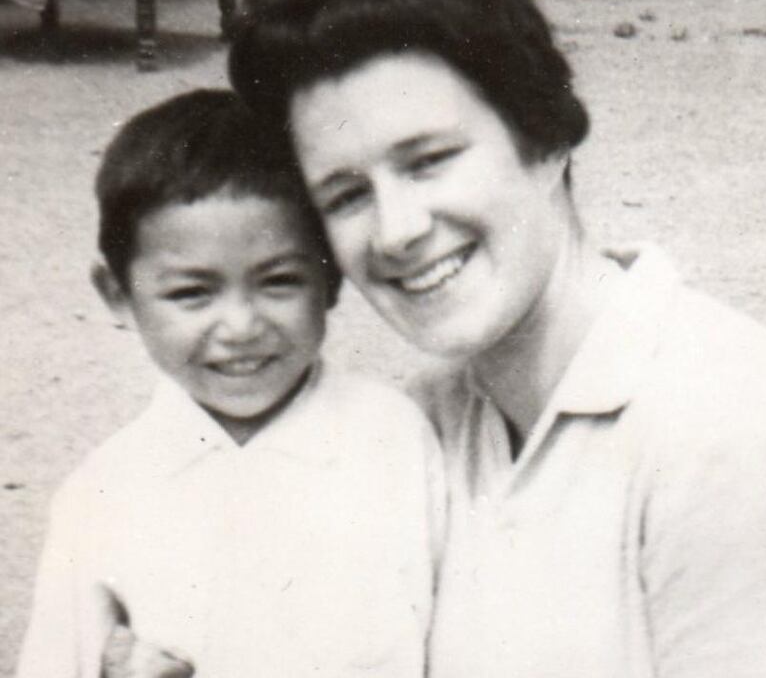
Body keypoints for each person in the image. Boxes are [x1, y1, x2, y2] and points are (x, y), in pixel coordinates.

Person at [224, 0, 766, 677]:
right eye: (346, 195)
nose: (398, 230)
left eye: (429, 161)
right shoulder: (419, 428)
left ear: (546, 137)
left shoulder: (728, 423)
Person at [16, 89, 445, 678]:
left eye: (279, 282)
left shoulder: (395, 439)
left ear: (332, 281)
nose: (242, 327)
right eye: (192, 293)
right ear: (117, 293)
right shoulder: (103, 494)